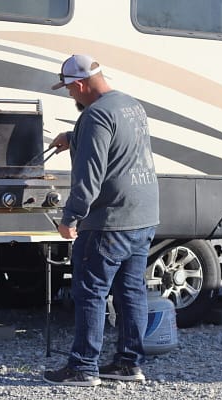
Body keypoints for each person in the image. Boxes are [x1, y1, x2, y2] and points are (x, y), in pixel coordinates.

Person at [42, 54, 159, 387]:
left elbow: (90, 177)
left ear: (80, 84)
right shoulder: (130, 105)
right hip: (144, 214)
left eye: (69, 90)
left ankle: (83, 367)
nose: (70, 96)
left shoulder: (94, 115)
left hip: (110, 219)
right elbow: (119, 147)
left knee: (91, 292)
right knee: (132, 292)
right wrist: (73, 136)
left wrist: (70, 217)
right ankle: (129, 363)